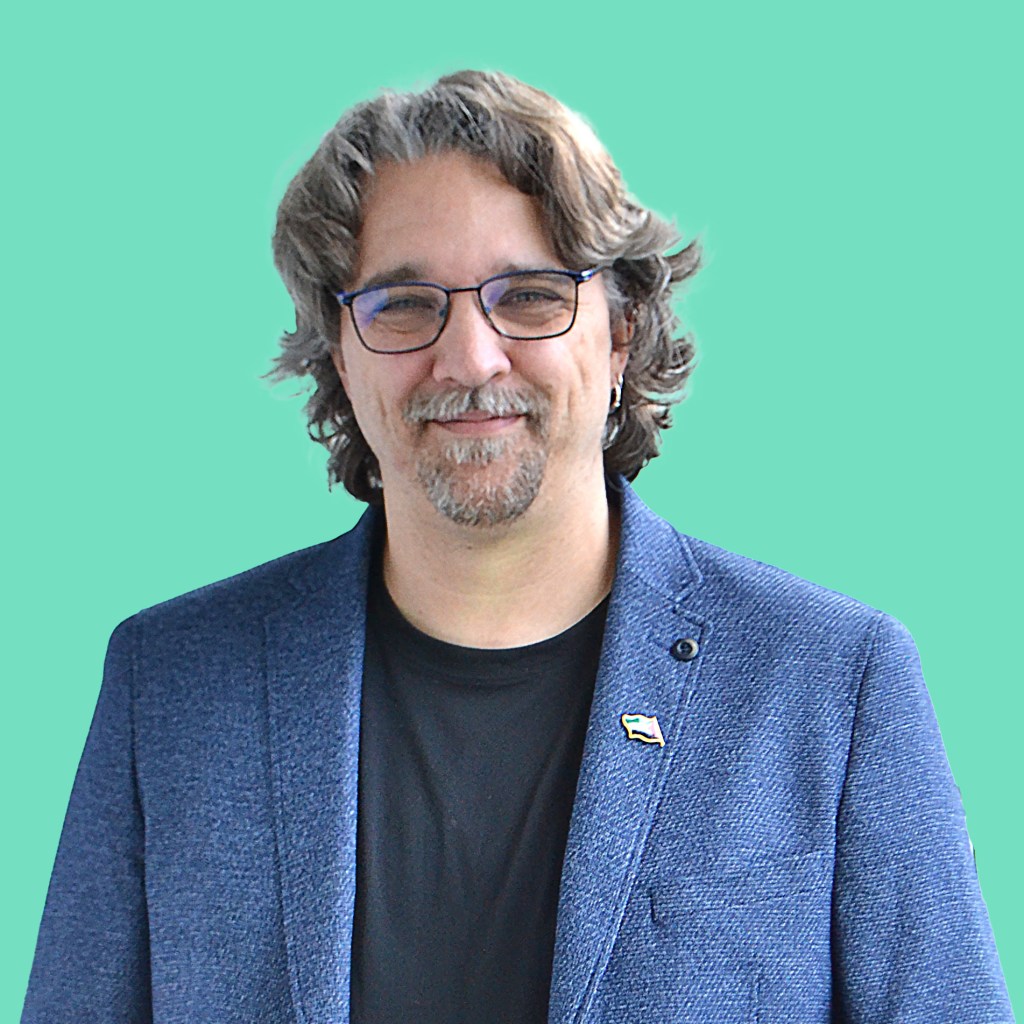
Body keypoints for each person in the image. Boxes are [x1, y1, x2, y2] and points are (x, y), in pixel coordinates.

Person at [22, 70, 1013, 1024]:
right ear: (340, 353)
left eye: (531, 296)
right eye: (404, 304)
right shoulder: (171, 687)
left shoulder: (833, 683)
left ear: (619, 335)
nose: (468, 357)